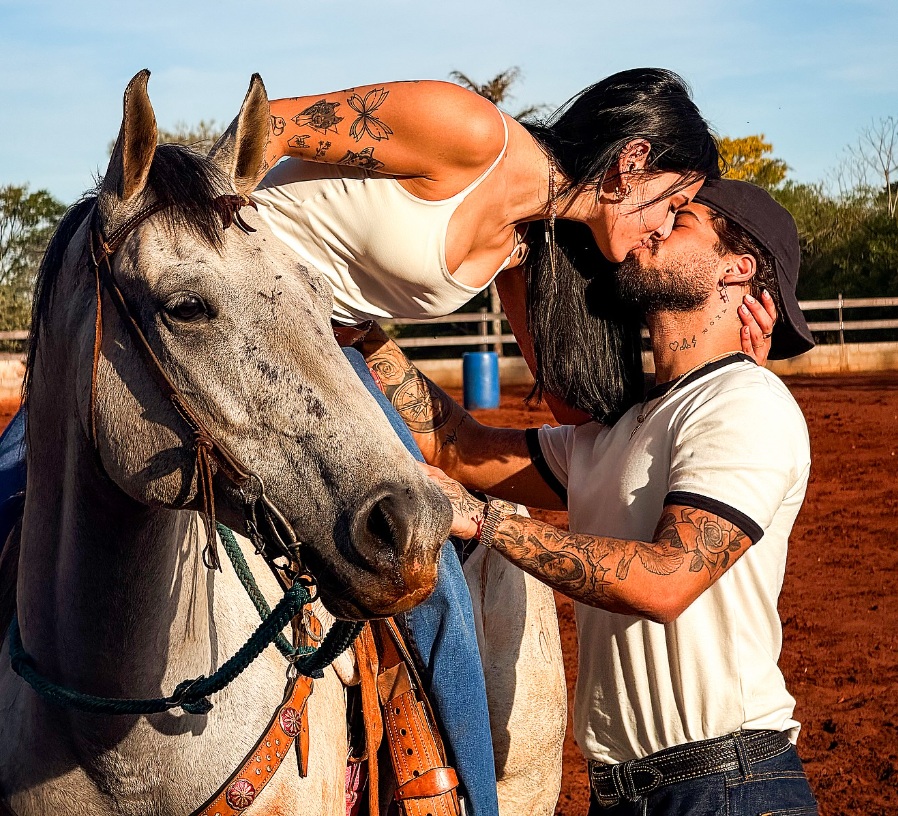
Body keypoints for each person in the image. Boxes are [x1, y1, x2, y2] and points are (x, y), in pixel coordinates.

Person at [1, 70, 776, 815]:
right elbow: (268, 128)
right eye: (674, 203)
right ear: (632, 161)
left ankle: (456, 798)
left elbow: (578, 415)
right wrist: (210, 249)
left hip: (328, 352)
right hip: (225, 315)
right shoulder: (472, 132)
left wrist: (728, 375)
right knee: (13, 489)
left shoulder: (524, 245)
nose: (663, 227)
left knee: (428, 580)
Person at [358, 178, 819, 816]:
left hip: (726, 787)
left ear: (735, 269)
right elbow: (460, 447)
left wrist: (486, 523)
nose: (655, 224)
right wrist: (356, 331)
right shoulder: (619, 427)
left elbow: (666, 581)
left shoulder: (744, 402)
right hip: (629, 792)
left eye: (681, 218)